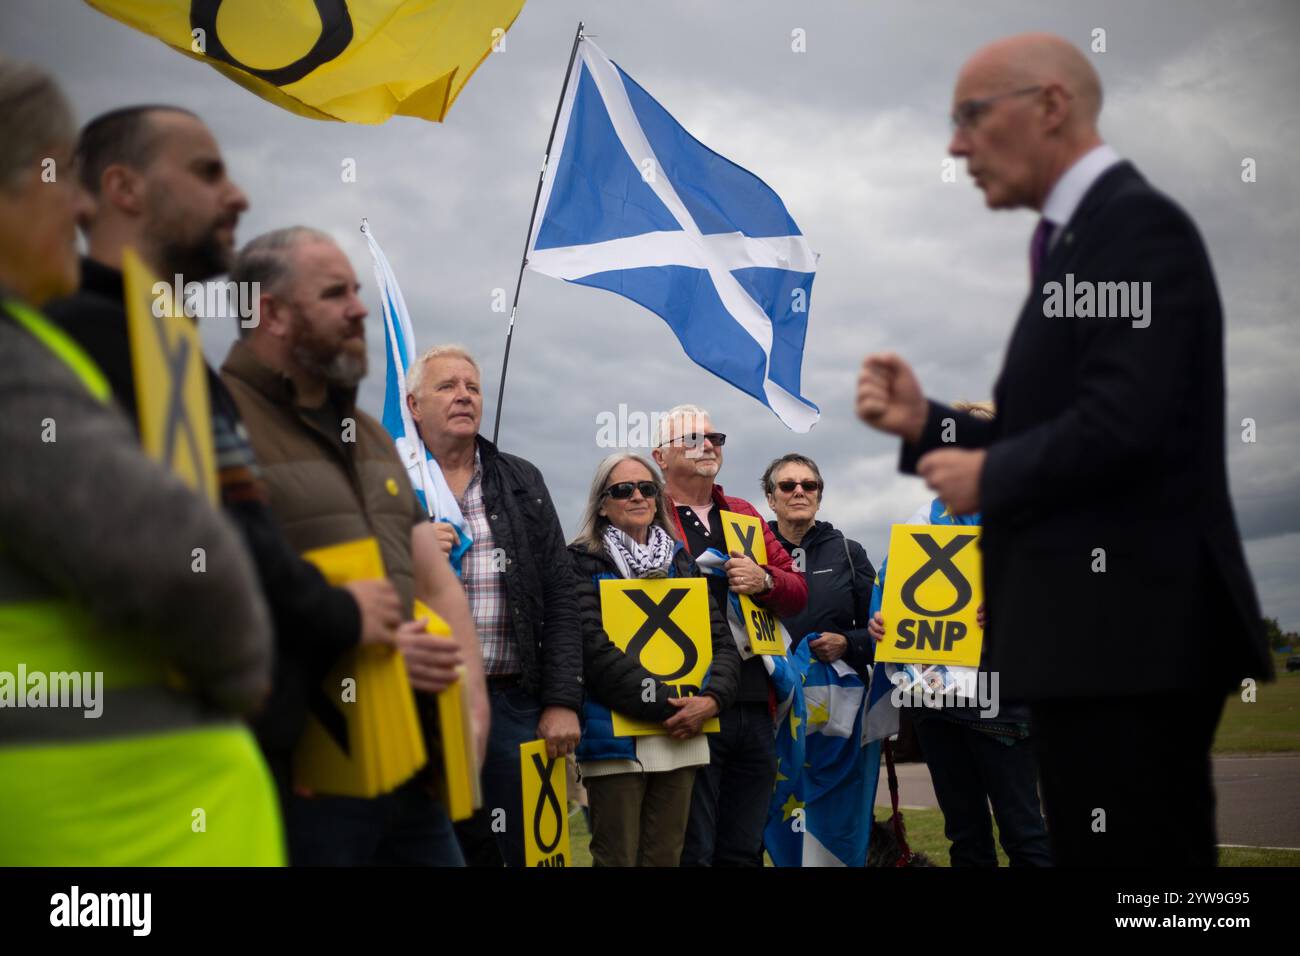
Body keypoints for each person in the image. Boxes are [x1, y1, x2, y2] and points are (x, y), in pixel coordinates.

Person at [856, 33, 1273, 867]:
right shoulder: (1075, 244)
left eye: (970, 116)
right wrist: (930, 424)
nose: (954, 145)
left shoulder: (1134, 226)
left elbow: (1132, 421)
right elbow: (1066, 425)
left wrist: (988, 472)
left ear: (1051, 105)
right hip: (1086, 639)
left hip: (1132, 632)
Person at [44, 104, 408, 811]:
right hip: (125, 786)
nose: (236, 195)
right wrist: (335, 613)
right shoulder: (78, 338)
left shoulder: (170, 350)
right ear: (124, 188)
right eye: (208, 172)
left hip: (233, 763)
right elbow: (198, 551)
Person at [0, 60, 280, 864]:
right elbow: (168, 554)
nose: (78, 206)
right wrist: (249, 671)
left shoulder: (133, 342)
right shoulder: (45, 350)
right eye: (57, 176)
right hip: (111, 837)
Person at [222, 226, 486, 866]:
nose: (360, 309)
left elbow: (438, 583)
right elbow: (204, 583)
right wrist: (365, 637)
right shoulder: (215, 417)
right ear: (271, 312)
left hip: (410, 770)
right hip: (299, 775)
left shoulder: (368, 435)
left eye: (358, 292)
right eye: (335, 293)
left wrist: (471, 707)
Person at [406, 344, 584, 867]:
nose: (464, 396)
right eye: (447, 387)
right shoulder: (387, 479)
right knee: (427, 849)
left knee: (527, 851)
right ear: (414, 405)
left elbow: (561, 594)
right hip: (415, 702)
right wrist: (403, 547)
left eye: (472, 387)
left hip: (513, 707)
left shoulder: (521, 478)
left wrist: (561, 701)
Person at [867, 402, 1051, 868]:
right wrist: (880, 623)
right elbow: (889, 593)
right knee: (965, 835)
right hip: (937, 701)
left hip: (1003, 698)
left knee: (1023, 830)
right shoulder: (920, 520)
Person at [651, 404, 808, 866]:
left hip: (756, 700)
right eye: (694, 439)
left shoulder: (742, 513)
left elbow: (798, 593)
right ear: (660, 456)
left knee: (743, 848)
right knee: (693, 848)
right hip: (689, 698)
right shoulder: (645, 510)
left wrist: (765, 581)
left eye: (715, 438)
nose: (709, 446)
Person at [568, 453, 741, 866]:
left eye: (647, 488)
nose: (637, 496)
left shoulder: (682, 563)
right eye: (622, 490)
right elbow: (593, 650)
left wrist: (713, 700)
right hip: (614, 736)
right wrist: (670, 705)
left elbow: (722, 643)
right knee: (617, 857)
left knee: (667, 855)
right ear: (602, 504)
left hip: (681, 734)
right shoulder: (579, 560)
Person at [763, 453, 876, 677]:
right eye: (787, 486)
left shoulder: (849, 553)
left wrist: (848, 643)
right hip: (774, 691)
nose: (799, 492)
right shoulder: (756, 551)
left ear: (819, 498)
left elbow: (883, 629)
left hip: (840, 694)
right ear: (771, 500)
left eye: (809, 485)